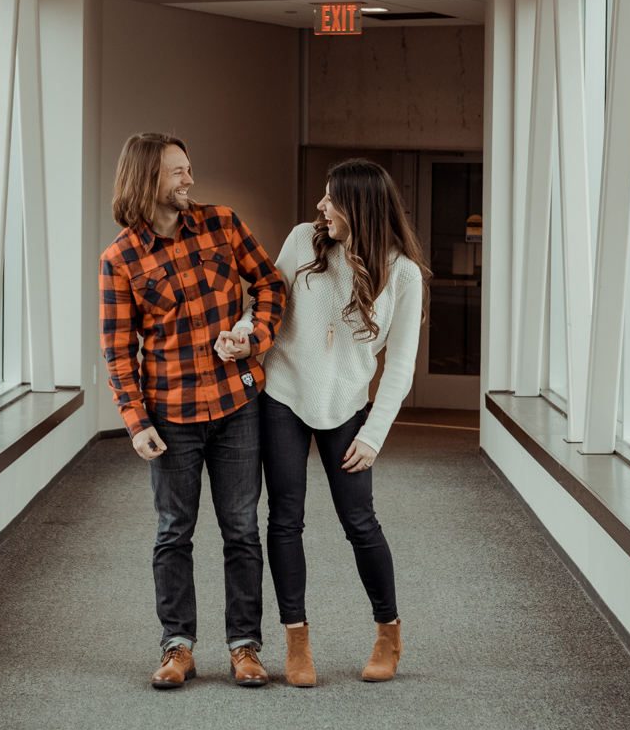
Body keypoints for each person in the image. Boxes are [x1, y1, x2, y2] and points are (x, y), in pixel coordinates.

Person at [218, 158, 426, 687]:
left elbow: (399, 366)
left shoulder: (402, 274)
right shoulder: (301, 241)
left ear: (358, 206)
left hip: (348, 408)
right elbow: (266, 302)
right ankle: (296, 639)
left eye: (330, 199)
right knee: (285, 519)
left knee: (360, 522)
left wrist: (374, 434)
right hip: (284, 395)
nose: (320, 207)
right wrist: (244, 333)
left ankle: (388, 634)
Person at [99, 132, 287, 690]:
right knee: (173, 532)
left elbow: (271, 284)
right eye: (178, 172)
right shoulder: (120, 259)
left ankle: (245, 646)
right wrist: (135, 421)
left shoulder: (222, 224)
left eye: (189, 169)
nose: (190, 179)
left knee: (241, 530)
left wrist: (254, 336)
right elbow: (116, 349)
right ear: (146, 180)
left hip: (236, 405)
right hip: (170, 416)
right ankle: (177, 646)